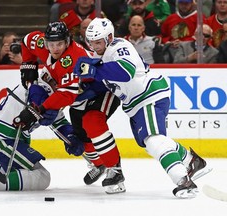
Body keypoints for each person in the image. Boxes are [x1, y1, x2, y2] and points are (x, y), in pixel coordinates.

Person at [74, 17, 212, 198]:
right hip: (136, 104)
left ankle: (184, 181)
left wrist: (94, 71)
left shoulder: (119, 46)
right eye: (90, 42)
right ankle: (191, 160)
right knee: (149, 143)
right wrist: (79, 90)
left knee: (153, 140)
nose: (94, 46)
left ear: (108, 38)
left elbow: (126, 72)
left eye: (98, 42)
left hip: (149, 96)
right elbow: (104, 84)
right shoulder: (98, 56)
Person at [19, 21, 124, 194]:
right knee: (81, 137)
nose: (55, 48)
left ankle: (116, 172)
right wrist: (28, 65)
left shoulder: (74, 57)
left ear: (67, 41)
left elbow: (66, 94)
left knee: (93, 123)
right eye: (51, 44)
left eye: (59, 43)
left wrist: (40, 109)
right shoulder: (42, 45)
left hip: (102, 90)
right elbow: (25, 40)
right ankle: (99, 164)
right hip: (80, 97)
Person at [0, 63, 84, 192]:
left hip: (0, 138)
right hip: (1, 140)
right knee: (42, 176)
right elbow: (38, 100)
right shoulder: (38, 89)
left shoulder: (42, 87)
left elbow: (59, 122)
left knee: (22, 172)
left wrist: (70, 137)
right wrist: (43, 111)